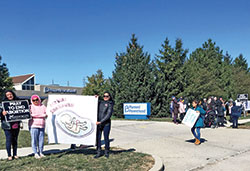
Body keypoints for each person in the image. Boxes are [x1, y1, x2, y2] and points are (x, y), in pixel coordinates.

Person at [0, 90, 21, 161]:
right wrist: (2, 113)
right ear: (6, 96)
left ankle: (15, 154)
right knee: (8, 140)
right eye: (7, 95)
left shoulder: (18, 102)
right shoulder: (2, 104)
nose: (9, 96)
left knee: (15, 140)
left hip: (15, 124)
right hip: (7, 125)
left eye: (10, 94)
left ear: (13, 94)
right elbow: (0, 115)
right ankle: (9, 155)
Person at [94, 92, 114, 158]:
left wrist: (101, 121)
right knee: (98, 138)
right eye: (104, 96)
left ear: (109, 97)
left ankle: (106, 152)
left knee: (106, 138)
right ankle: (98, 152)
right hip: (99, 124)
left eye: (107, 96)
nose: (105, 97)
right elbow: (94, 102)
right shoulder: (100, 103)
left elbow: (108, 115)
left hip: (106, 124)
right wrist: (95, 97)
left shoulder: (110, 104)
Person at [29, 95, 47, 159]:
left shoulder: (43, 106)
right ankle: (35, 153)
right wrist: (42, 115)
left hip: (42, 125)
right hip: (33, 125)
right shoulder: (30, 107)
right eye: (34, 100)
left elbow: (47, 113)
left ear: (39, 99)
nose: (35, 101)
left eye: (37, 99)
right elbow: (30, 115)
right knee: (34, 140)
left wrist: (43, 115)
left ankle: (41, 152)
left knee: (41, 140)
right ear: (32, 101)